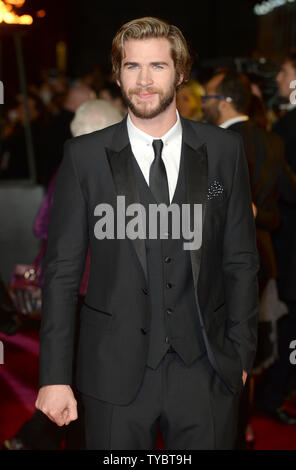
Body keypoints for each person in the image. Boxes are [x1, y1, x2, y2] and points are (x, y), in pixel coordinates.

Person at [35, 17, 259, 450]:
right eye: (131, 66)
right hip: (111, 374)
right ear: (117, 74)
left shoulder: (223, 151)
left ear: (179, 72)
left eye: (157, 66)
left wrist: (241, 353)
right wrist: (55, 378)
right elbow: (61, 275)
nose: (144, 80)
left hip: (206, 371)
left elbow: (240, 260)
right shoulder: (84, 158)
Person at [3, 99, 122, 450]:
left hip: (76, 291)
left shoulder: (70, 167)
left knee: (76, 377)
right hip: (102, 295)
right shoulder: (125, 170)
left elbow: (43, 224)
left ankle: (41, 435)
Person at [202, 70, 296, 437]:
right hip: (261, 258)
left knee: (216, 345)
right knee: (243, 343)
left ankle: (228, 425)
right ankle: (241, 426)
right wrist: (255, 210)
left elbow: (207, 200)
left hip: (216, 261)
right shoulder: (271, 142)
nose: (203, 105)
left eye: (207, 98)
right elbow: (283, 203)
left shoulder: (209, 142)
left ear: (223, 102)